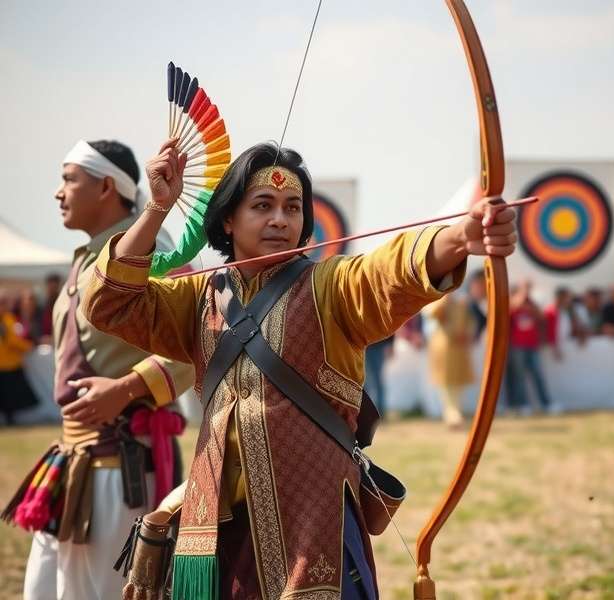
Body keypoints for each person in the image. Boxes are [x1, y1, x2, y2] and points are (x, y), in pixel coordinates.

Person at [80, 138, 517, 599]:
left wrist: (459, 237)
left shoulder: (329, 286)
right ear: (228, 218)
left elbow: (387, 272)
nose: (280, 219)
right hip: (214, 529)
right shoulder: (196, 299)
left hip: (312, 524)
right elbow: (107, 303)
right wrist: (156, 210)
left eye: (292, 207)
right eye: (262, 205)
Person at [4, 139, 194, 600]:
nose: (58, 192)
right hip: (74, 463)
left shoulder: (152, 246)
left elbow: (196, 340)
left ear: (107, 186)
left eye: (69, 178)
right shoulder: (86, 256)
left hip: (122, 465)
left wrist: (127, 388)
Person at [426, 293, 478, 428]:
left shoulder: (461, 304)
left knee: (458, 383)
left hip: (459, 349)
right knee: (446, 383)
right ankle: (452, 415)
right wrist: (443, 300)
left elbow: (471, 322)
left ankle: (455, 413)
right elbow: (431, 314)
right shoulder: (435, 302)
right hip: (443, 348)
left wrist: (467, 335)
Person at [505, 280, 551, 414]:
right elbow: (512, 308)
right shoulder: (514, 303)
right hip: (517, 346)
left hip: (532, 345)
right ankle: (522, 404)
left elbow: (542, 317)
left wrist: (530, 302)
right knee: (519, 377)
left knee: (538, 374)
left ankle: (546, 404)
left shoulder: (532, 304)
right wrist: (522, 293)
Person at [0, 289, 38, 424]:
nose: (2, 307)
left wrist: (27, 346)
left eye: (3, 303)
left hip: (11, 365)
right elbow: (12, 341)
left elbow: (15, 340)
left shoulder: (10, 320)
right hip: (4, 366)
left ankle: (10, 419)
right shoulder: (9, 320)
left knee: (11, 399)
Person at [363, 335, 394, 415]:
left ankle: (379, 412)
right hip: (365, 344)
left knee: (376, 380)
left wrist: (390, 343)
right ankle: (368, 412)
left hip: (376, 344)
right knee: (365, 382)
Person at [39, 273, 63, 346]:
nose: (52, 290)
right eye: (50, 287)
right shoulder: (42, 306)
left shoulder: (63, 305)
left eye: (54, 287)